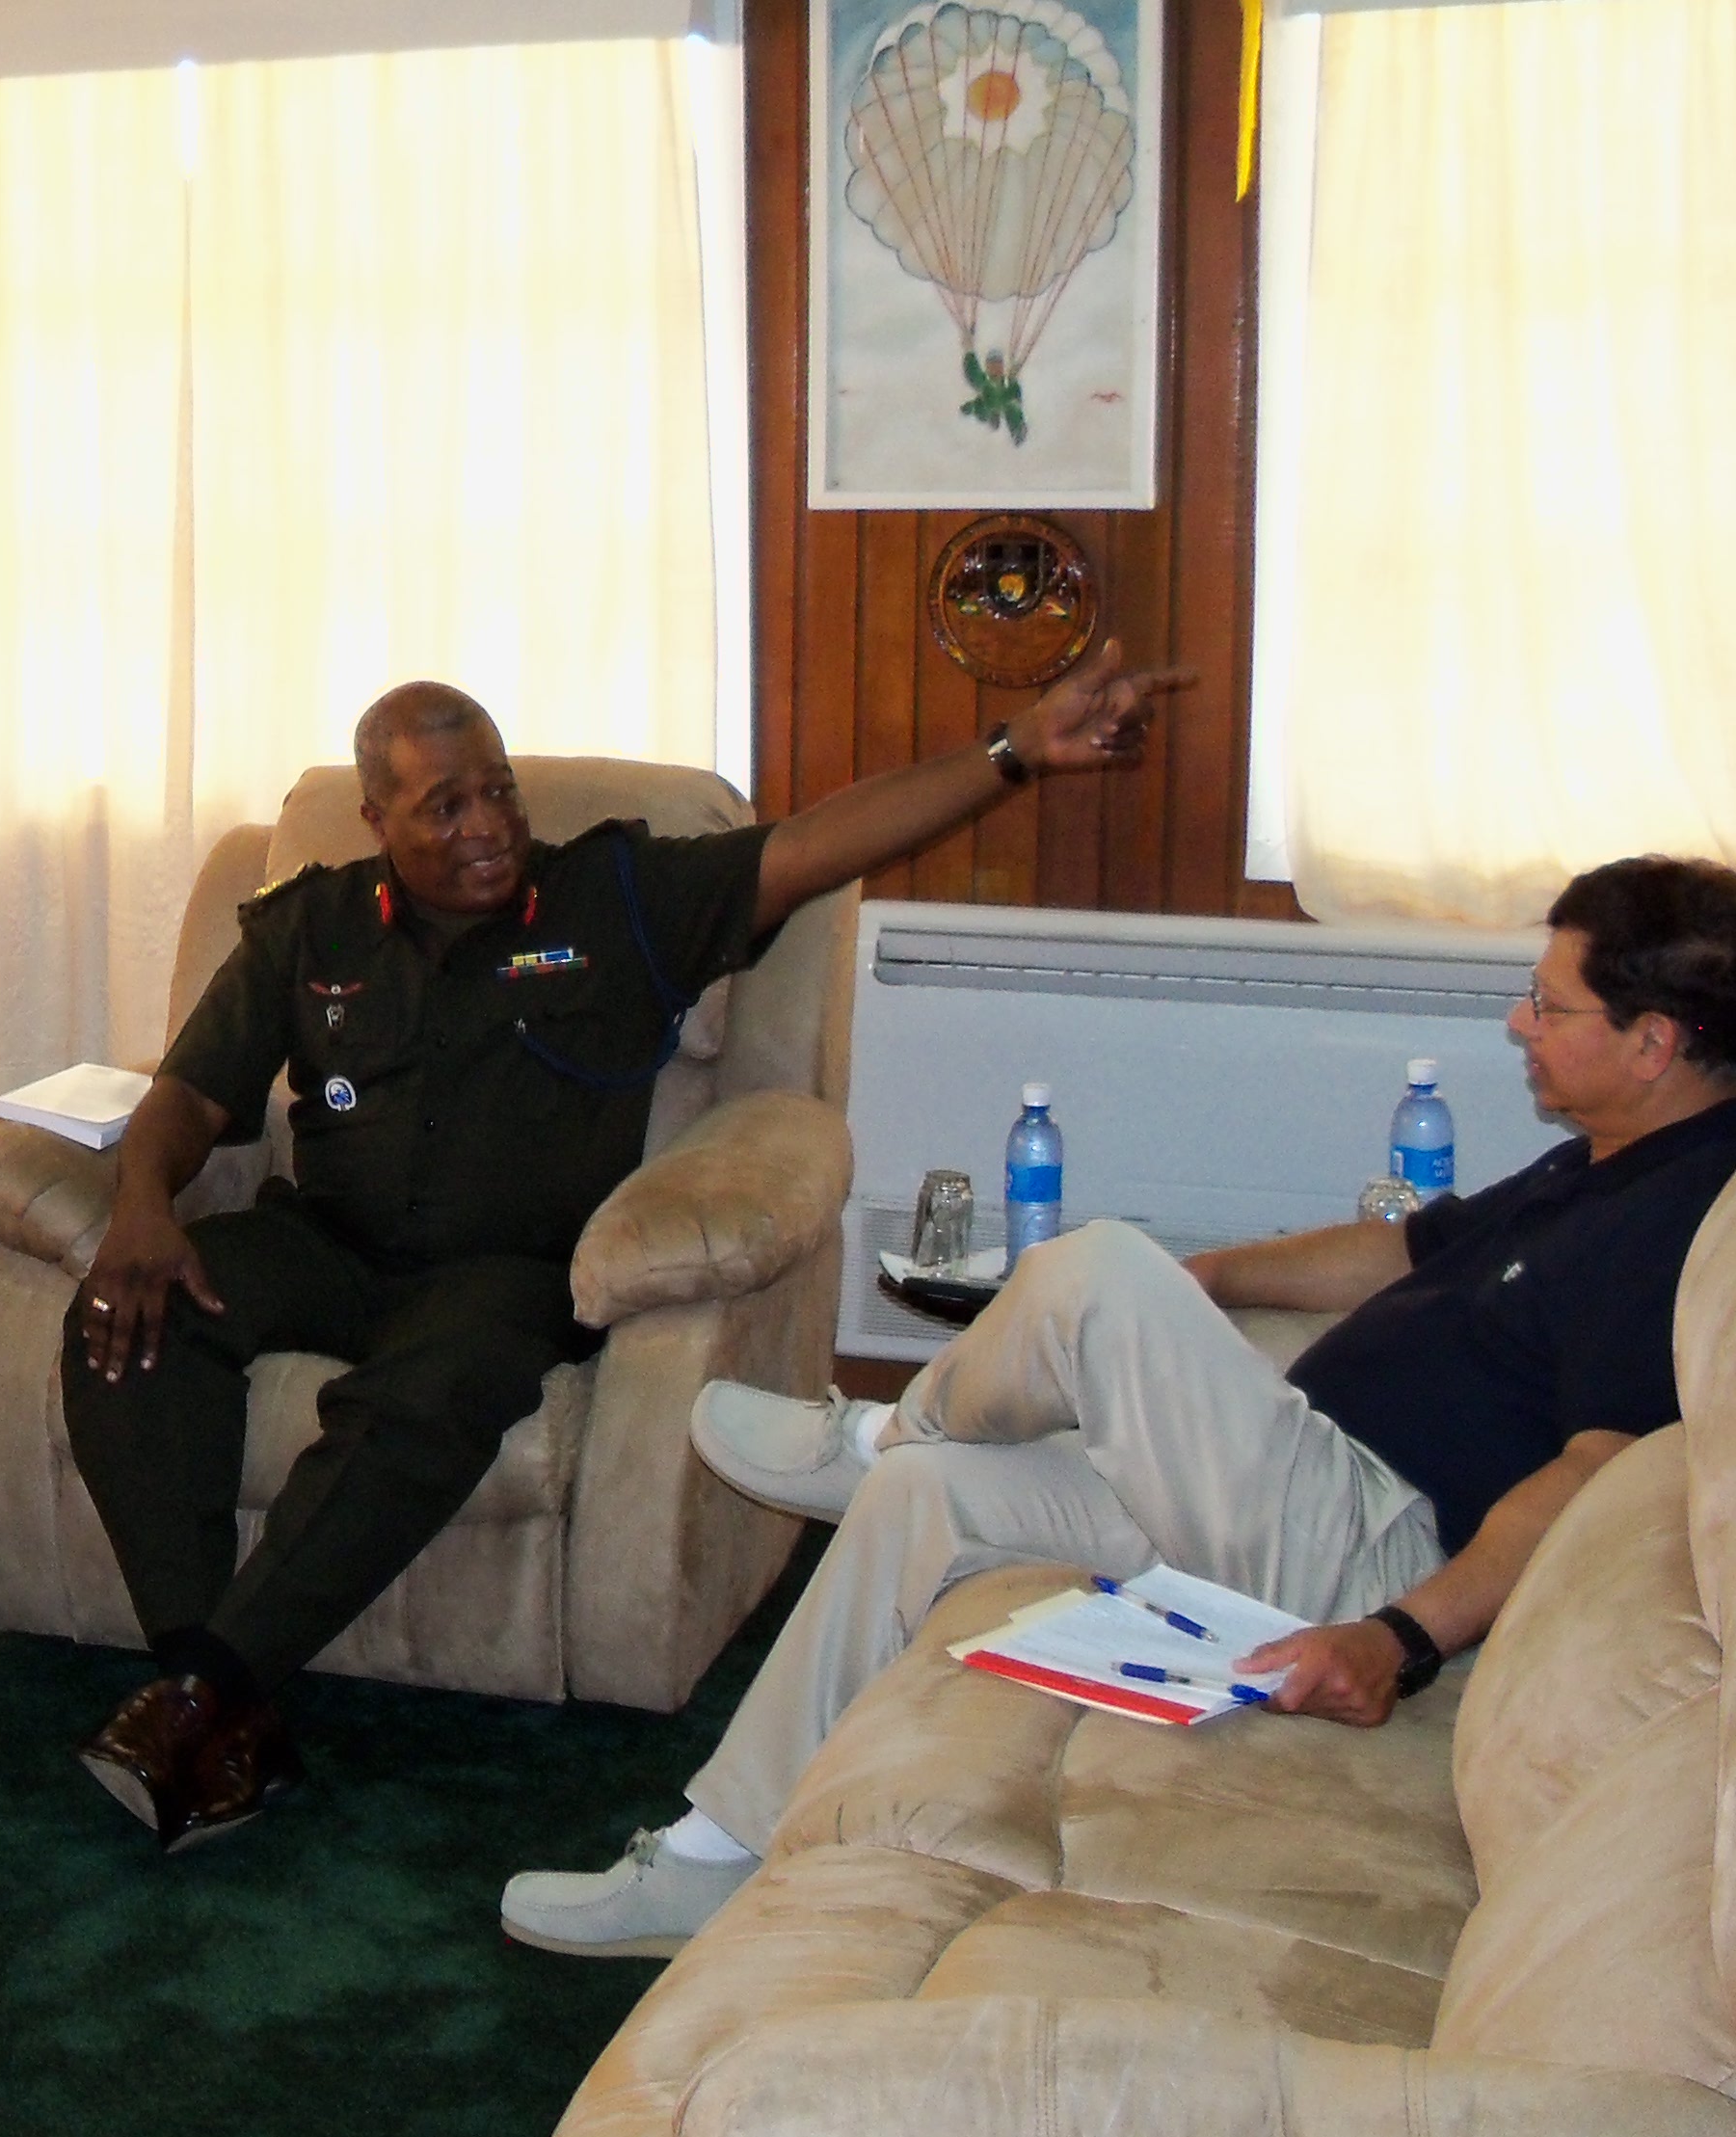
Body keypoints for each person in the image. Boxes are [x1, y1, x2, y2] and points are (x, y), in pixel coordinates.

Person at [501, 855, 1736, 1955]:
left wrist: (1402, 1638)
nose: (1520, 1021)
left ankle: (878, 1427)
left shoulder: (1683, 1218)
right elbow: (1407, 1248)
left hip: (1368, 1549)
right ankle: (715, 1850)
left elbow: (1593, 1472)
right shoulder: (1601, 1160)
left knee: (1092, 1269)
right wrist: (1208, 1277)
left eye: (1550, 1005)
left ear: (1654, 1042)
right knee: (929, 1495)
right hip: (1295, 1485)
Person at [66, 651, 1195, 1850]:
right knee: (125, 1324)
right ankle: (209, 1692)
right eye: (444, 805)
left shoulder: (615, 898)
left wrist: (1013, 751)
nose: (489, 825)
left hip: (503, 1277)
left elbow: (814, 846)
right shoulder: (312, 922)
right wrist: (141, 1207)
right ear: (377, 820)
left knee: (429, 1398)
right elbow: (191, 1090)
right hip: (327, 1242)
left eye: (497, 789)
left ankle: (202, 1692)